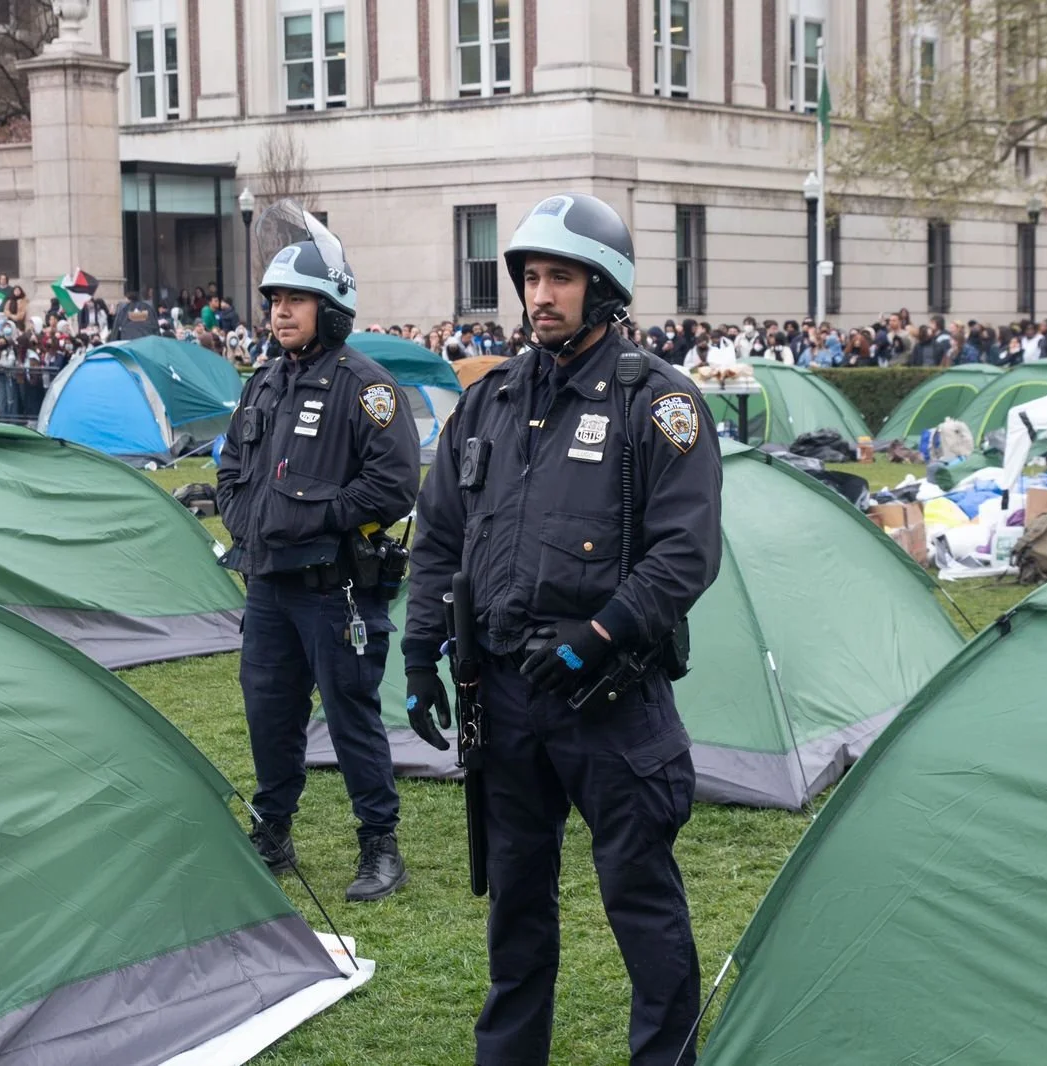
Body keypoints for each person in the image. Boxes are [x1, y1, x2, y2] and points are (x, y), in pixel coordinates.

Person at [404, 192, 722, 1066]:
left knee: (643, 908)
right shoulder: (491, 399)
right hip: (504, 699)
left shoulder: (658, 404)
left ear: (605, 287)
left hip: (608, 701)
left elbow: (685, 555)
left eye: (562, 278)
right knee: (516, 910)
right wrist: (419, 652)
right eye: (531, 277)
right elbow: (438, 535)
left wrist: (596, 635)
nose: (541, 295)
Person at [215, 210, 419, 902]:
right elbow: (232, 467)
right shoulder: (263, 381)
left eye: (294, 300)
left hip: (337, 592)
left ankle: (379, 845)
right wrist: (251, 525)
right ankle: (273, 831)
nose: (279, 313)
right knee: (267, 709)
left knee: (350, 713)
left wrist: (314, 519)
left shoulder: (370, 388)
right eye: (274, 301)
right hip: (267, 589)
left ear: (330, 308)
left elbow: (394, 486)